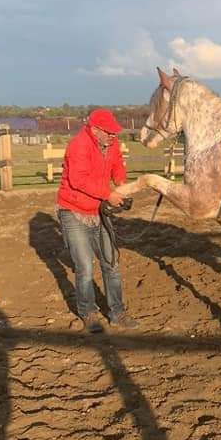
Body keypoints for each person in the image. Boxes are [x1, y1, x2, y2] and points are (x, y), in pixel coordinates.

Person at [56, 108, 138, 332]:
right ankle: (88, 313)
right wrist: (109, 195)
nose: (113, 135)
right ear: (95, 129)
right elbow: (78, 180)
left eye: (114, 132)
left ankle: (117, 312)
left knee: (111, 264)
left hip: (97, 209)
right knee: (84, 268)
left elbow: (117, 163)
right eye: (109, 132)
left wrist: (121, 184)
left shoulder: (111, 144)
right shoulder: (79, 145)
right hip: (73, 210)